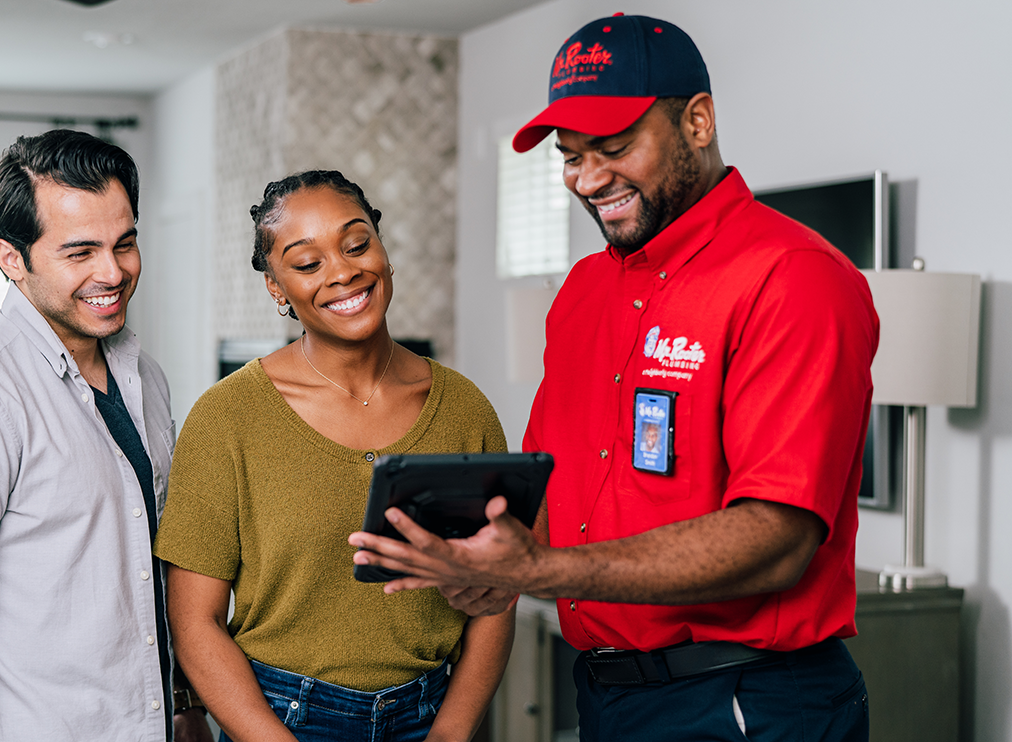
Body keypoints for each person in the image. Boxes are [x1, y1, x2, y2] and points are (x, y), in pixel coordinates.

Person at [348, 15, 878, 742]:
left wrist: (542, 569)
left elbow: (778, 536)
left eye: (616, 147)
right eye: (570, 155)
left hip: (746, 702)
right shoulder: (582, 293)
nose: (589, 179)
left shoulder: (792, 278)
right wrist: (489, 565)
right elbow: (553, 494)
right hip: (606, 696)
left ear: (697, 121)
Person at [153, 171, 514, 742]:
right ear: (277, 288)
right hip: (277, 717)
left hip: (432, 712)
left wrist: (451, 732)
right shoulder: (227, 419)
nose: (344, 272)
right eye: (306, 263)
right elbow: (194, 623)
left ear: (383, 248)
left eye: (356, 244)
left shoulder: (464, 410)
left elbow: (496, 595)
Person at [0, 130, 212, 742]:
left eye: (125, 243)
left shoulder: (146, 378)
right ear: (13, 259)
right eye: (80, 252)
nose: (113, 272)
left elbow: (151, 570)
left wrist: (186, 706)